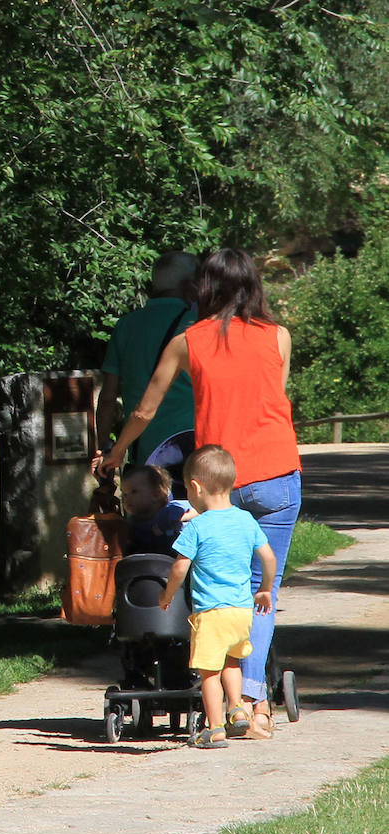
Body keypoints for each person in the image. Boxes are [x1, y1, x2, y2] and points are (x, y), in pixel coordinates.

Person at [99, 247, 300, 740]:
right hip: (278, 474)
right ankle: (255, 708)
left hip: (215, 485)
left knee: (213, 590)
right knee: (261, 592)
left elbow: (144, 410)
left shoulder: (190, 341)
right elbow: (274, 396)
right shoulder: (279, 336)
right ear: (254, 285)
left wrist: (113, 454)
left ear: (201, 289)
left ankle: (217, 693)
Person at [158, 446, 276, 748]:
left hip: (211, 612)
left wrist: (167, 594)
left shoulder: (197, 526)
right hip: (241, 611)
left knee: (209, 672)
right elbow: (268, 556)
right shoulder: (247, 520)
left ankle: (215, 728)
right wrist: (264, 588)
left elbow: (180, 567)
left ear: (195, 487)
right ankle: (237, 708)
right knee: (232, 662)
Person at [95, 251, 199, 465]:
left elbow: (107, 397)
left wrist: (105, 447)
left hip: (145, 450)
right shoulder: (198, 324)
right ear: (191, 285)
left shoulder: (126, 325)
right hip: (195, 446)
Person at [120, 464, 194, 556]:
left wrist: (180, 518)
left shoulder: (171, 511)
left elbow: (199, 510)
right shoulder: (132, 524)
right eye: (125, 494)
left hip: (172, 563)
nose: (127, 499)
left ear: (157, 494)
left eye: (134, 492)